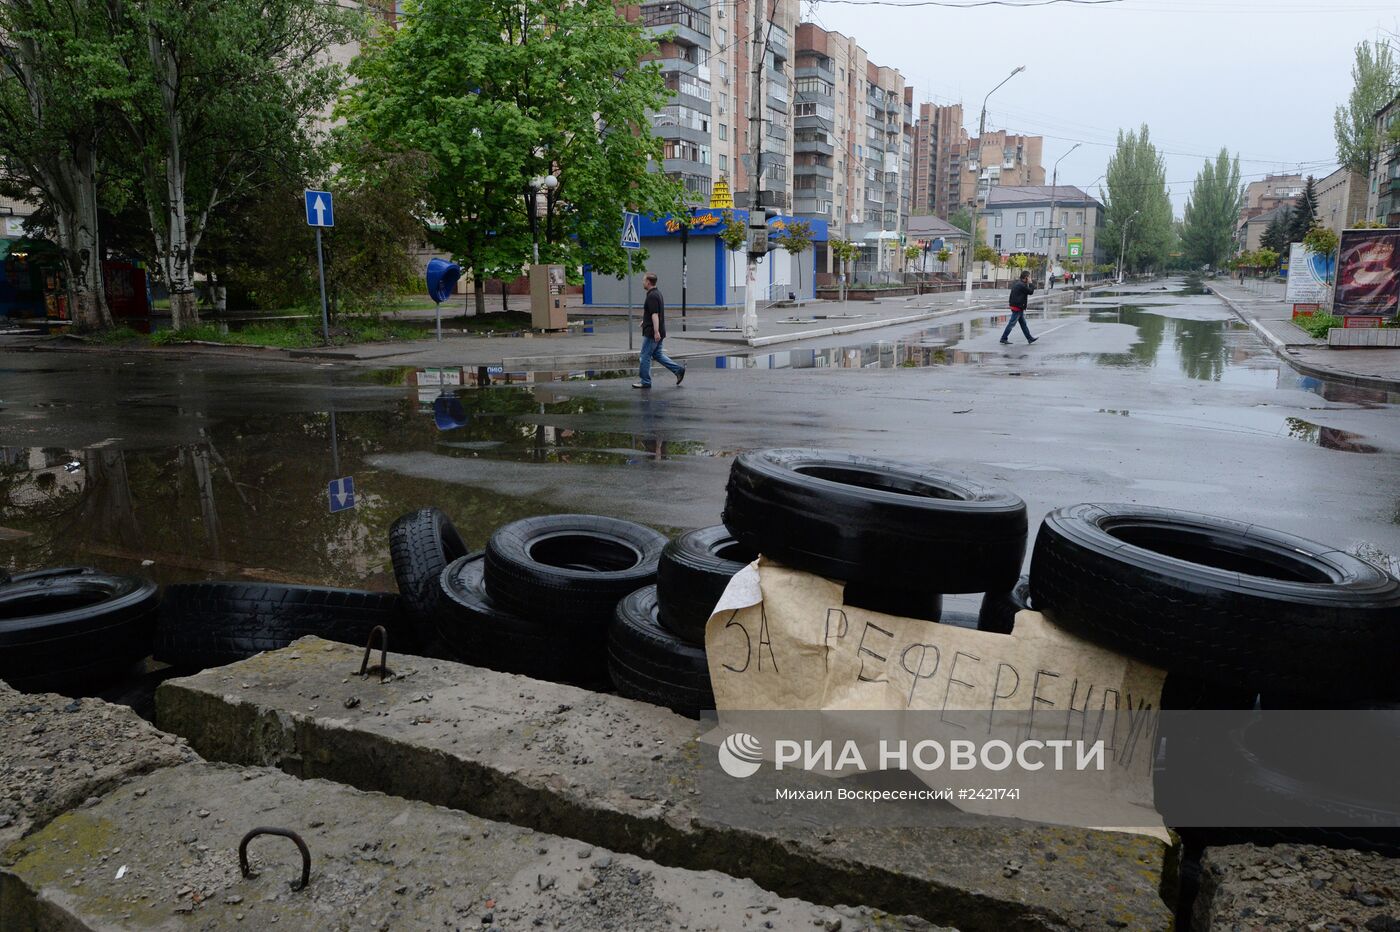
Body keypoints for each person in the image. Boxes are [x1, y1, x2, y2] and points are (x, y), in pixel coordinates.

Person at [633, 271, 686, 389]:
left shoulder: (652, 296)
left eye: (643, 280)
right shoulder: (657, 293)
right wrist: (645, 321)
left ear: (648, 282)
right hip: (658, 330)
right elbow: (652, 313)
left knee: (644, 356)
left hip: (652, 333)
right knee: (657, 354)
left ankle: (645, 381)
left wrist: (656, 332)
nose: (643, 282)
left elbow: (655, 314)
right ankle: (678, 370)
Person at [1000, 271, 1038, 345]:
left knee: (1023, 324)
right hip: (1017, 307)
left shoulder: (1019, 283)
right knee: (1011, 324)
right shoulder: (1021, 285)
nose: (1030, 278)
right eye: (1029, 277)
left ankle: (1029, 338)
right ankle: (1003, 338)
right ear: (1026, 278)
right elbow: (1030, 292)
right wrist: (1030, 283)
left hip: (1017, 306)